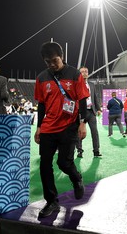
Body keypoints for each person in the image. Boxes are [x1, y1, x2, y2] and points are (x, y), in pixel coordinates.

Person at [34, 41, 89, 218]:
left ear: (62, 57)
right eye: (47, 62)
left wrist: (82, 123)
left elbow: (81, 100)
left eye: (54, 60)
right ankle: (51, 202)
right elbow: (41, 105)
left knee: (64, 163)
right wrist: (39, 127)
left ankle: (76, 178)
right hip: (48, 128)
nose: (51, 64)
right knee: (44, 165)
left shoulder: (74, 74)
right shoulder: (42, 78)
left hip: (69, 127)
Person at [76, 66, 102, 158]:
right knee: (79, 132)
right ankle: (79, 151)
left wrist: (98, 108)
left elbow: (94, 97)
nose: (84, 73)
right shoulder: (76, 84)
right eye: (82, 72)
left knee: (94, 132)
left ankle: (96, 151)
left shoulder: (91, 84)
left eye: (86, 71)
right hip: (80, 112)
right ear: (79, 73)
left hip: (91, 111)